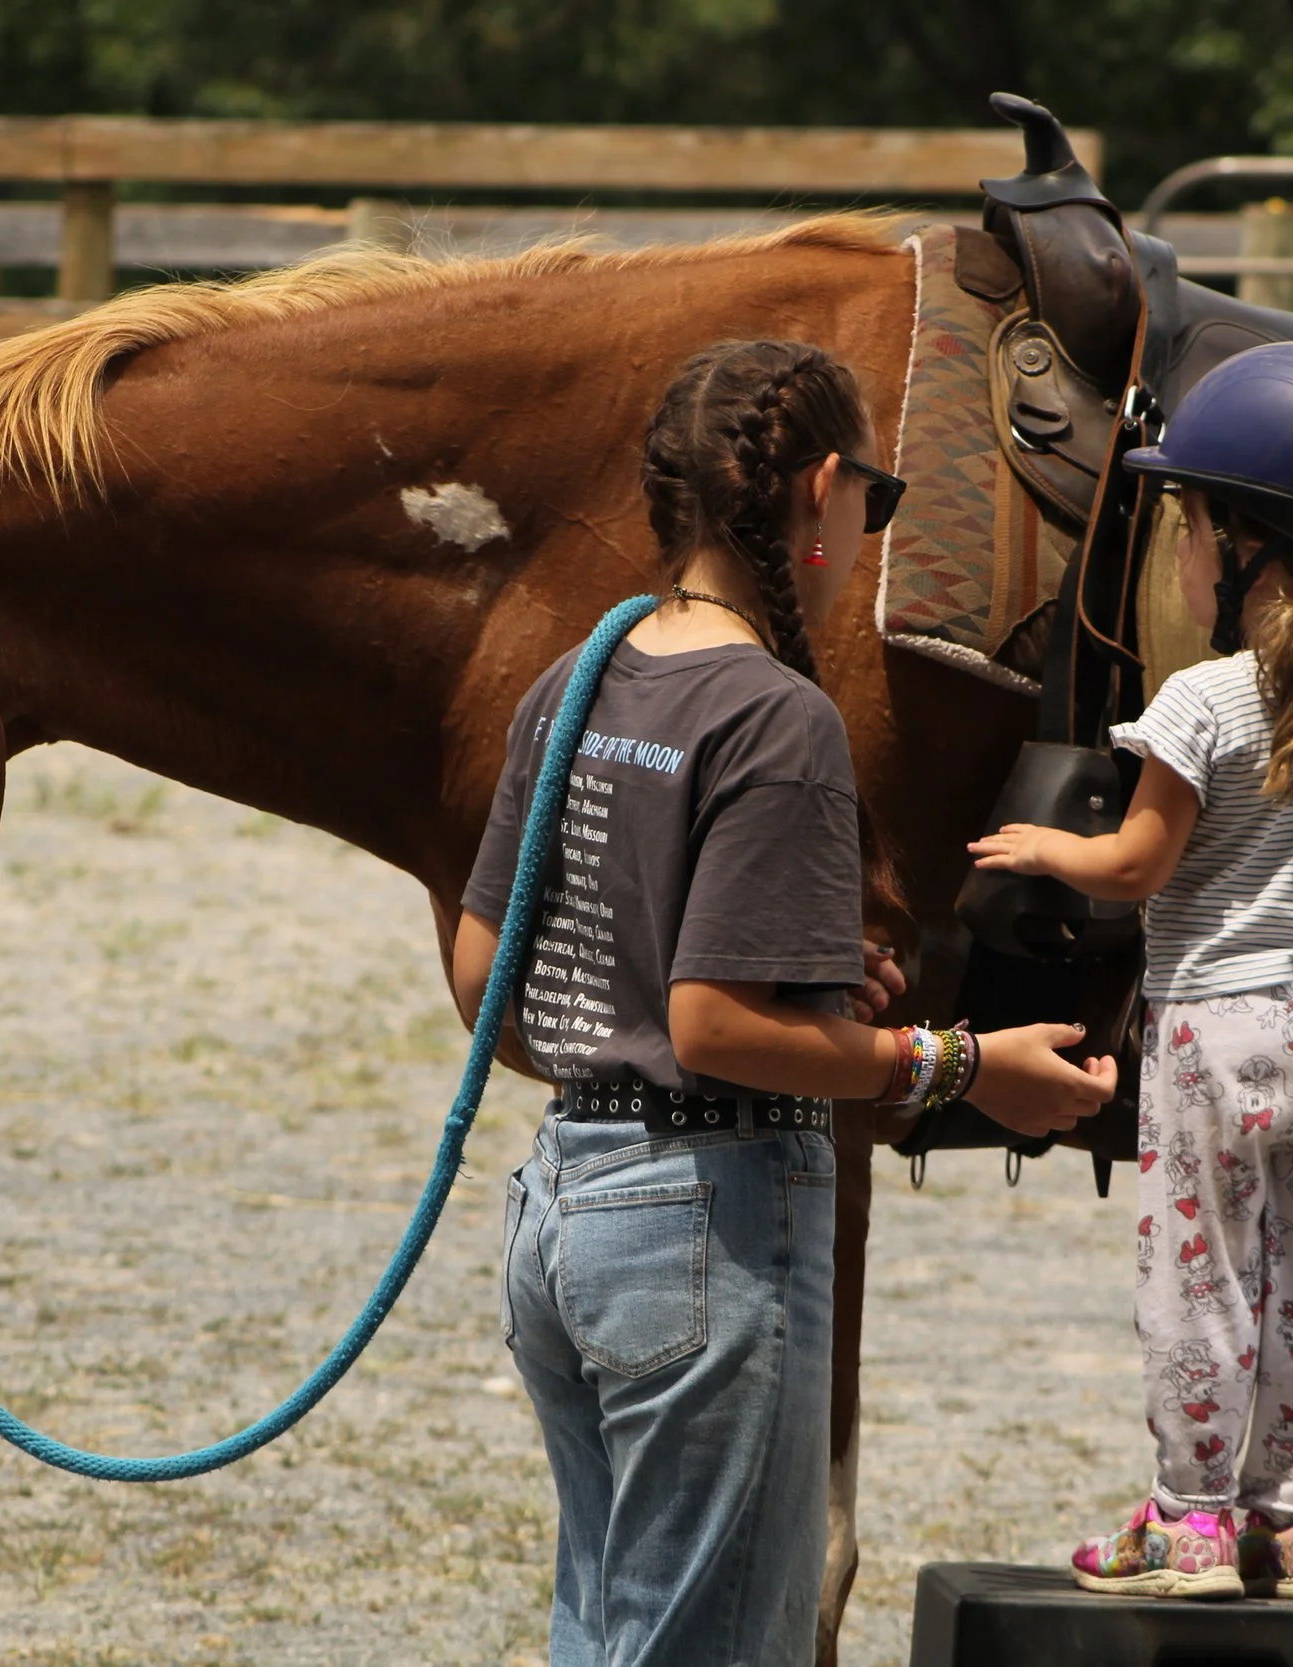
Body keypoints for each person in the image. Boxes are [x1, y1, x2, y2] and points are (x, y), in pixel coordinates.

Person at [451, 339, 1118, 1664]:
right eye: (878, 490)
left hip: (564, 1208)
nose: (872, 520)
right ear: (822, 487)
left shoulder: (575, 680)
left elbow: (486, 973)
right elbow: (713, 1027)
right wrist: (960, 1062)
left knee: (614, 1626)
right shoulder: (776, 715)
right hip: (704, 1224)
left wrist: (783, 979)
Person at [969, 341, 1293, 1603]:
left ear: (1241, 547)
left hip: (1223, 1034)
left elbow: (1137, 864)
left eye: (1187, 524)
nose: (1181, 550)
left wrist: (1043, 847)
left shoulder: (1202, 698)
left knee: (1202, 1280)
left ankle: (1189, 1520)